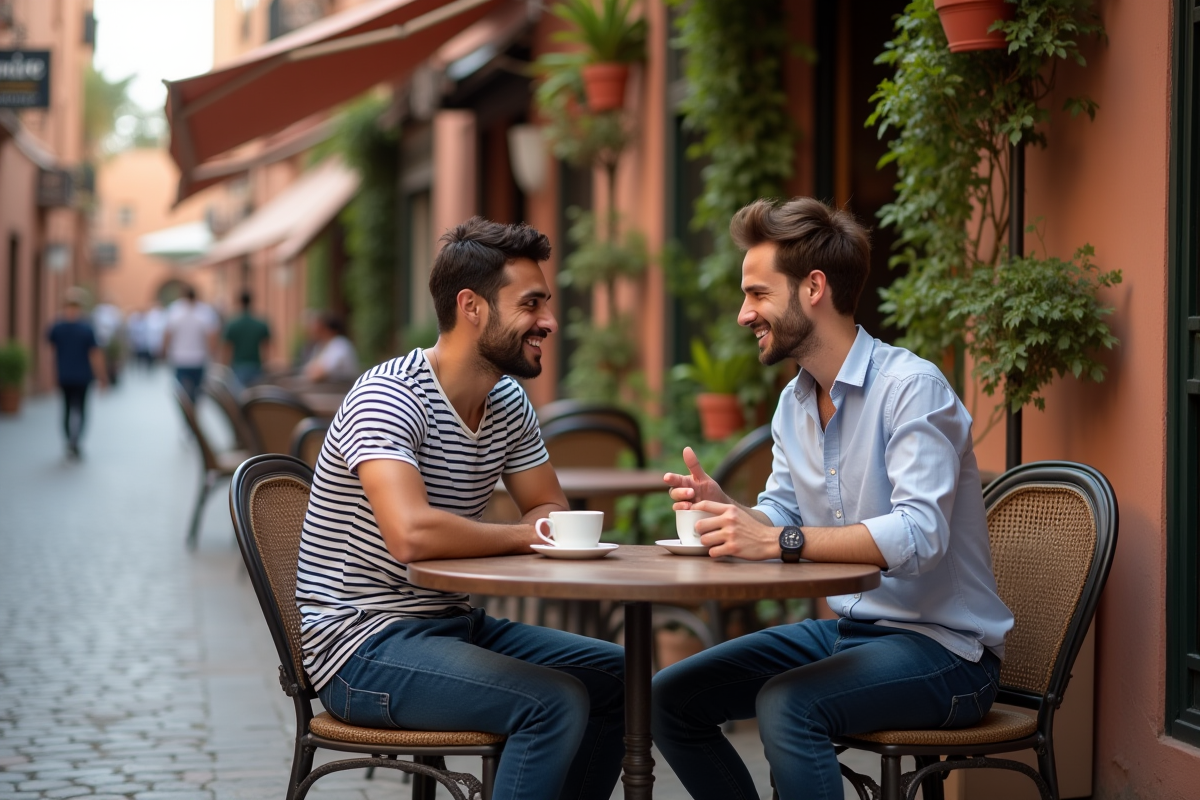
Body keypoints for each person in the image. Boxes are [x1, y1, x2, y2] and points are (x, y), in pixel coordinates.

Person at [651, 197, 1014, 800]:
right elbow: (782, 515)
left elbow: (920, 535)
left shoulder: (911, 389)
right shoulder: (794, 405)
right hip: (852, 634)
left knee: (788, 704)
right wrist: (732, 513)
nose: (745, 313)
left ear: (813, 287)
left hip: (948, 655)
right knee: (669, 697)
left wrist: (779, 540)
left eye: (758, 294)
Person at [295, 218, 625, 800]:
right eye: (530, 304)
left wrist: (533, 527)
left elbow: (548, 506)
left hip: (452, 626)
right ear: (472, 307)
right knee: (552, 702)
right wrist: (525, 536)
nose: (547, 321)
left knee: (621, 680)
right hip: (360, 647)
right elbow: (413, 535)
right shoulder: (388, 396)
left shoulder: (506, 401)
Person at [46, 290, 107, 459]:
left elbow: (94, 354)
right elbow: (95, 354)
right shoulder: (83, 328)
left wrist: (101, 376)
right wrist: (102, 377)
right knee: (74, 409)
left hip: (76, 375)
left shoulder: (60, 327)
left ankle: (73, 442)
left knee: (73, 409)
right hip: (75, 375)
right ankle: (73, 442)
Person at [162, 287, 218, 402]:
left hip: (180, 358)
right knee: (197, 391)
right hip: (199, 358)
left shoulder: (175, 310)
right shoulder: (205, 311)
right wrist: (212, 354)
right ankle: (193, 411)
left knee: (182, 392)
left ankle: (188, 415)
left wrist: (164, 350)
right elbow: (211, 337)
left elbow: (167, 334)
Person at [222, 290, 271, 386]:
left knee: (240, 397)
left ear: (239, 302)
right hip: (256, 365)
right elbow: (267, 346)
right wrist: (265, 363)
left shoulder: (232, 324)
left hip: (238, 365)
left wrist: (226, 367)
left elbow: (227, 348)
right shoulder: (260, 323)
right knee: (254, 397)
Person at [301, 312, 358, 383]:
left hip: (341, 391)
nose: (314, 331)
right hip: (328, 391)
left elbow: (318, 374)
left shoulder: (340, 344)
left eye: (320, 328)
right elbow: (308, 370)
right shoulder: (319, 346)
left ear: (331, 330)